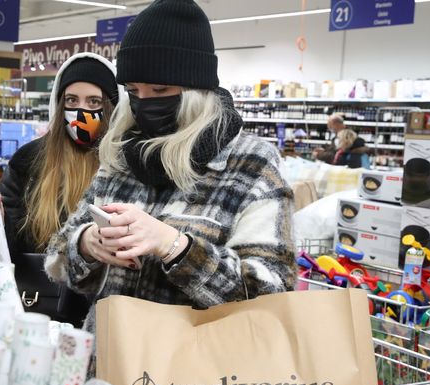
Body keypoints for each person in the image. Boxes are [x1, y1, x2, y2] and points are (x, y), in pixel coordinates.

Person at [43, 0, 296, 366]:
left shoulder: (251, 165)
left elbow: (272, 295)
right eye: (134, 91)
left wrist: (174, 246)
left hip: (195, 369)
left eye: (159, 91)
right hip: (108, 364)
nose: (144, 103)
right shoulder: (122, 151)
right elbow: (57, 255)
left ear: (196, 88)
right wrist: (89, 244)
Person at [0, 53, 122, 325]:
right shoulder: (29, 162)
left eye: (94, 102)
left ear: (112, 106)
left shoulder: (124, 167)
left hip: (104, 320)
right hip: (39, 314)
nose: (81, 111)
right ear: (59, 104)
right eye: (71, 101)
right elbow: (3, 255)